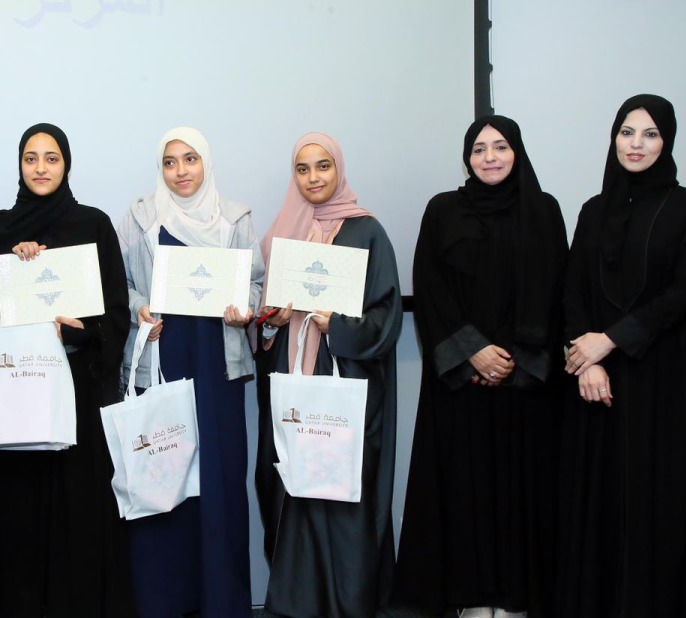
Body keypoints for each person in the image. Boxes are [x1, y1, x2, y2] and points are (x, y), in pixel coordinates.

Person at [553, 94, 686, 617]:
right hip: (602, 388)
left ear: (668, 141)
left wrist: (608, 340)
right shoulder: (593, 212)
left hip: (675, 385)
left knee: (664, 510)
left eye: (650, 134)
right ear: (613, 139)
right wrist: (587, 360)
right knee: (605, 510)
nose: (636, 144)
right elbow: (571, 292)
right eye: (626, 133)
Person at [392, 116, 566, 618]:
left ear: (518, 152)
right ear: (467, 157)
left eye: (500, 147)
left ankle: (515, 600)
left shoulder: (544, 210)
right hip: (462, 384)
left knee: (521, 491)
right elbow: (431, 287)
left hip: (525, 384)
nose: (489, 157)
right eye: (479, 149)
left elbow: (557, 292)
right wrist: (474, 352)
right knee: (465, 491)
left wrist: (513, 360)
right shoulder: (444, 209)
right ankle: (470, 599)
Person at [0, 122, 136, 617]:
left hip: (78, 395)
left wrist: (81, 331)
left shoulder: (92, 224)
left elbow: (116, 315)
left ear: (66, 164)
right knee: (20, 513)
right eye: (31, 158)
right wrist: (15, 263)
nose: (40, 168)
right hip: (20, 395)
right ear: (19, 166)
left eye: (51, 158)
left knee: (80, 511)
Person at [255, 132, 402, 618]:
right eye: (302, 169)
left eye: (322, 167)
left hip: (347, 385)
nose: (313, 178)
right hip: (295, 375)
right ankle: (298, 603)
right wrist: (275, 321)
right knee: (295, 491)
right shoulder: (286, 232)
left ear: (339, 170)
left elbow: (386, 318)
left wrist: (333, 323)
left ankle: (350, 603)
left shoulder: (367, 232)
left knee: (342, 495)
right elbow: (271, 312)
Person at [117, 127, 263, 617]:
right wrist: (139, 310)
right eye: (170, 162)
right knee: (165, 473)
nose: (181, 171)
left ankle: (221, 601)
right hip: (165, 356)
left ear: (207, 164)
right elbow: (123, 286)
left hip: (216, 361)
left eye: (191, 159)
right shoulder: (141, 217)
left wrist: (244, 309)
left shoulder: (235, 217)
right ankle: (164, 600)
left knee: (219, 480)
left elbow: (256, 287)